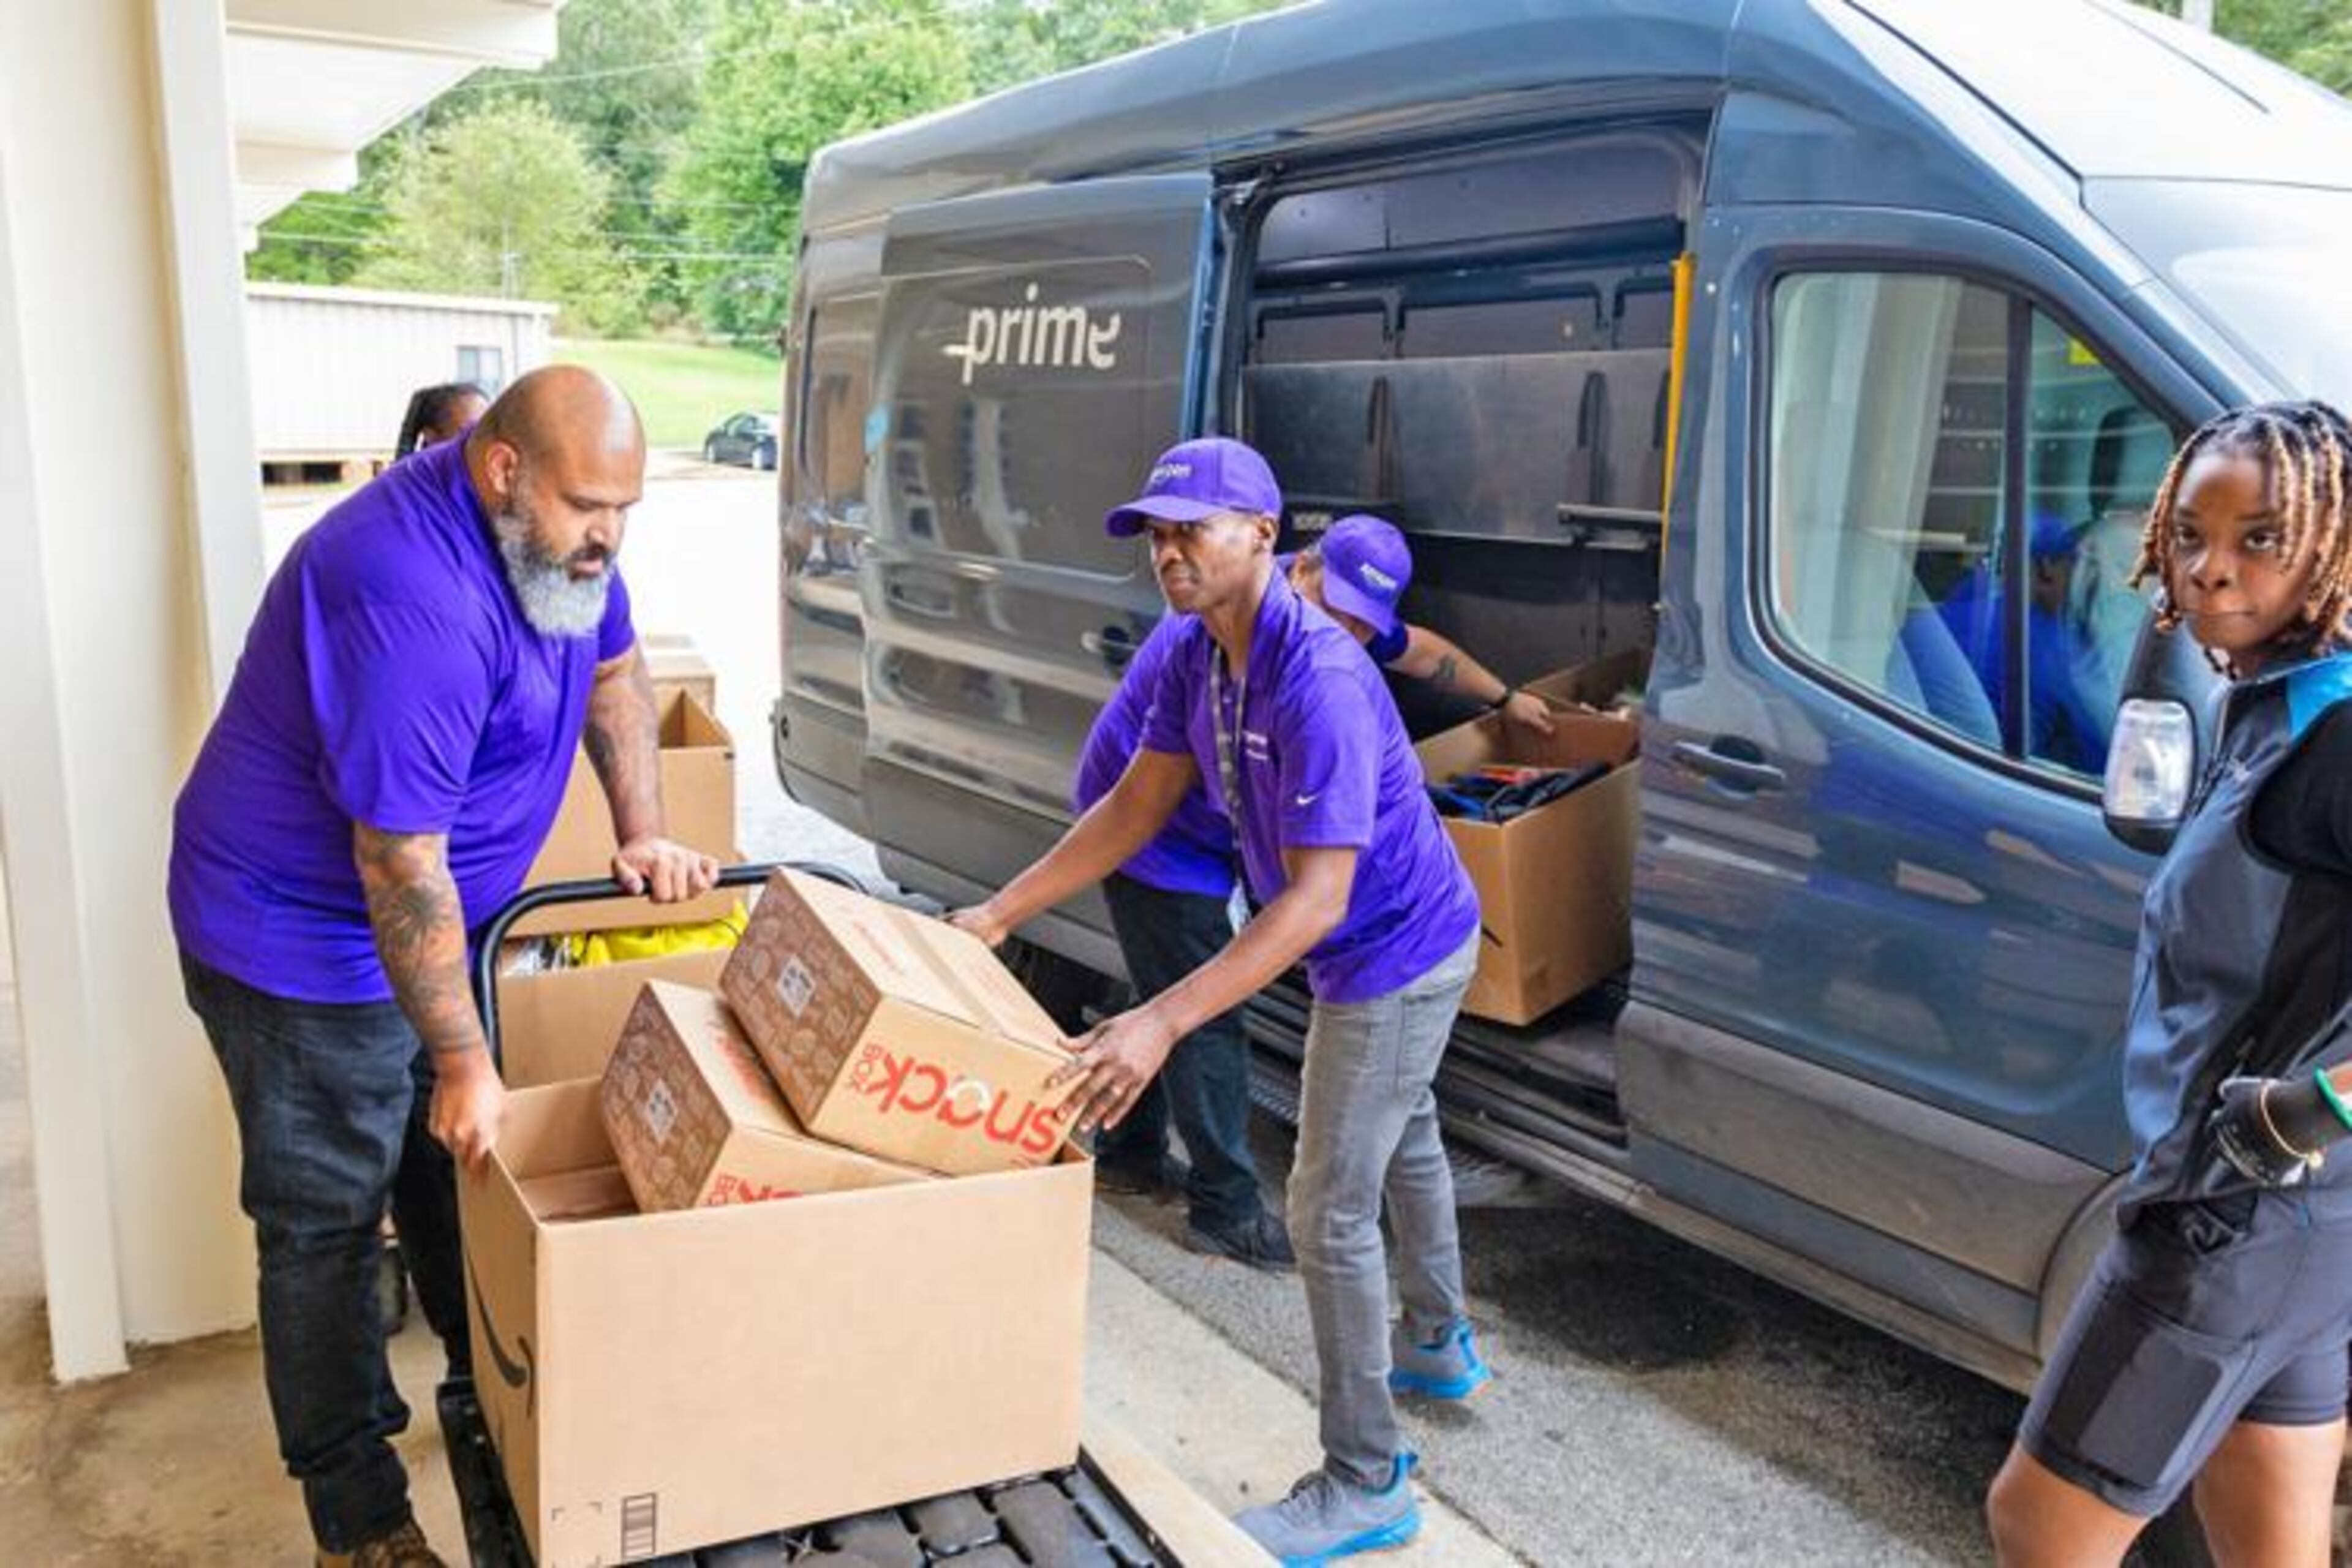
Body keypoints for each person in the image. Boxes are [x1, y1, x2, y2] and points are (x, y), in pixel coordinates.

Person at [169, 365, 718, 1568]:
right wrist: (461, 1053)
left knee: (451, 1167)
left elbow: (619, 678)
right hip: (298, 940)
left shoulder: (561, 538)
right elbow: (398, 860)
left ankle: (493, 1395)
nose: (609, 537)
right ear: (503, 469)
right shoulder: (409, 589)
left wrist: (639, 828)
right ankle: (357, 1517)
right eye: (589, 506)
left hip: (433, 925)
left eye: (626, 508)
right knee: (324, 1220)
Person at [954, 439, 1490, 1565]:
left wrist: (1160, 1019)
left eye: (1192, 528)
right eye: (1156, 532)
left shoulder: (1322, 679)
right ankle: (1437, 1344)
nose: (1168, 551)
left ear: (1264, 533)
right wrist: (999, 914)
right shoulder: (1195, 653)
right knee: (1405, 1137)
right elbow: (1135, 803)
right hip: (1377, 938)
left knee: (1326, 1209)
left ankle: (1367, 1479)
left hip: (1395, 950)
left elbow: (1312, 905)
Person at [1985, 401, 2352, 1567]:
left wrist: (2319, 1101)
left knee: (2039, 1526)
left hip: (2233, 1215)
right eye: (2192, 536)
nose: (2211, 572)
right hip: (2304, 1231)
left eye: (2259, 539)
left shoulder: (2336, 737)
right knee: (2266, 1546)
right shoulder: (2276, 707)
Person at [1075, 513, 1553, 1272]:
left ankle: (1130, 1148)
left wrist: (1506, 698)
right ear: (1295, 565)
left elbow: (1423, 653)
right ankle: (1224, 1206)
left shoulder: (1335, 640)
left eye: (1362, 627)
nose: (1347, 634)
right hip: (1163, 833)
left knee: (1173, 988)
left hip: (1239, 837)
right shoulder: (1207, 631)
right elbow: (1141, 802)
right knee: (1200, 1011)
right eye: (1335, 611)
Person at [393, 380, 489, 459]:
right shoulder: (412, 480)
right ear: (431, 436)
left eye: (485, 429)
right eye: (468, 431)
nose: (482, 441)